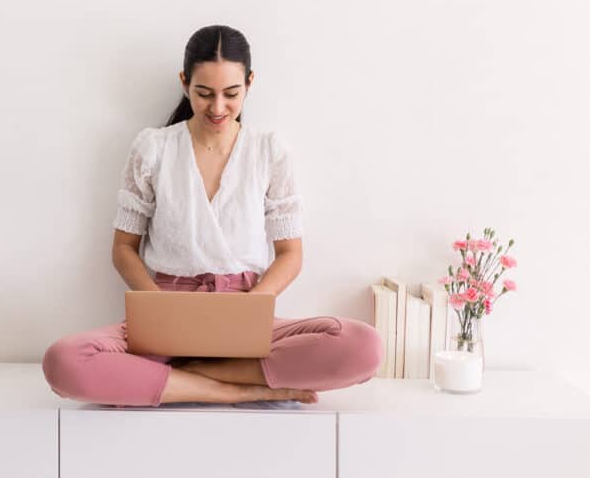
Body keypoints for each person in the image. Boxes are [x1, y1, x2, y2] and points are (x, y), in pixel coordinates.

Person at [42, 25, 384, 407]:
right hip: (165, 311)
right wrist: (159, 312)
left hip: (245, 309)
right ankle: (235, 390)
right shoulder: (153, 147)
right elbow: (123, 248)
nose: (217, 107)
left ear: (250, 83)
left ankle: (183, 376)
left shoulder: (268, 150)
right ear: (184, 82)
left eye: (231, 94)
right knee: (64, 362)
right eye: (203, 93)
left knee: (364, 346)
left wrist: (252, 307)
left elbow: (291, 253)